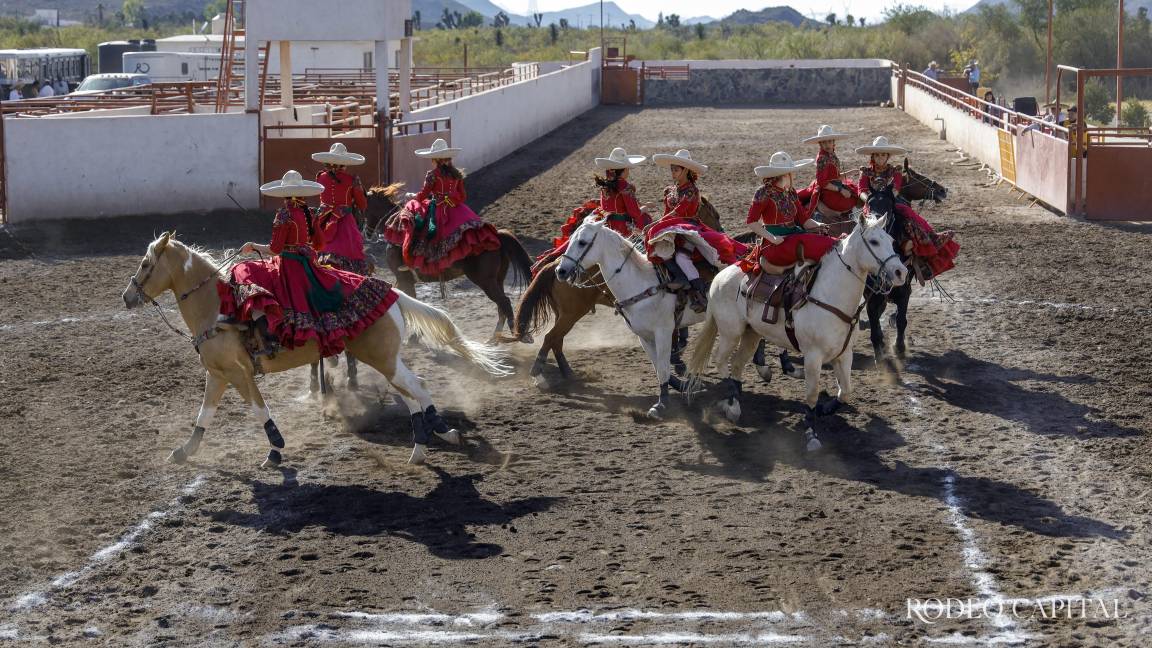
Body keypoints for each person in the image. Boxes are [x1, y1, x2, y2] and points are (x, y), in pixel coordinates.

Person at [217, 170, 397, 357]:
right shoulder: (309, 213)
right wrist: (300, 245)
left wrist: (252, 246)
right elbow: (319, 244)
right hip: (307, 264)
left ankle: (264, 332)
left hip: (288, 268)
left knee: (242, 269)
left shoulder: (284, 215)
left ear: (283, 193)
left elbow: (275, 249)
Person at [643, 149, 747, 313]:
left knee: (682, 257)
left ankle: (699, 292)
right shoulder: (671, 191)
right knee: (658, 248)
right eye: (672, 169)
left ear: (686, 170)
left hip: (689, 231)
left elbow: (679, 212)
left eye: (676, 169)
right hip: (672, 229)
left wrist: (658, 223)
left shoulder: (692, 191)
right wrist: (659, 225)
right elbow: (667, 213)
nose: (673, 172)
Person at [381, 138, 501, 275]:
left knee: (418, 226)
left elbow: (423, 195)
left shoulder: (432, 175)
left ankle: (413, 262)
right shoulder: (457, 174)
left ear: (436, 159)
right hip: (457, 209)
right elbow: (462, 197)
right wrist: (450, 201)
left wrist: (412, 197)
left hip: (437, 209)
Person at [855, 136, 959, 283]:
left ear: (888, 156)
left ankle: (920, 246)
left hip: (890, 202)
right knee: (858, 228)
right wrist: (871, 200)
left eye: (883, 155)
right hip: (871, 204)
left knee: (907, 216)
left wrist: (886, 199)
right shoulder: (865, 172)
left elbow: (896, 189)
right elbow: (861, 190)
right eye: (877, 155)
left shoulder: (895, 171)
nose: (880, 158)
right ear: (873, 156)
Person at [535, 147, 651, 271]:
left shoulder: (605, 185)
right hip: (622, 228)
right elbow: (634, 212)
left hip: (606, 224)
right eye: (627, 168)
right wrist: (645, 208)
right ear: (623, 170)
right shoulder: (625, 186)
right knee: (646, 244)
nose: (628, 171)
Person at [736, 151, 840, 276]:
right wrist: (772, 238)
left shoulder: (790, 192)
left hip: (794, 236)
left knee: (828, 239)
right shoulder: (763, 192)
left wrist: (819, 225)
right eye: (792, 173)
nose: (794, 176)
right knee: (827, 244)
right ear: (785, 175)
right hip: (775, 245)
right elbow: (751, 221)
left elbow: (804, 220)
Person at [311, 142, 372, 276]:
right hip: (345, 221)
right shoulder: (352, 179)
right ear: (344, 163)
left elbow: (322, 198)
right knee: (353, 252)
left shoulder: (320, 177)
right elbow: (362, 205)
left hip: (323, 220)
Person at [796, 125, 859, 221]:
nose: (827, 145)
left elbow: (835, 177)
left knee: (854, 192)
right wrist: (840, 190)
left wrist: (851, 172)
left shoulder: (831, 154)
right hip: (828, 192)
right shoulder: (822, 158)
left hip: (834, 186)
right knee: (852, 201)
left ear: (834, 142)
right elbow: (822, 182)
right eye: (824, 142)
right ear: (820, 144)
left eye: (829, 141)